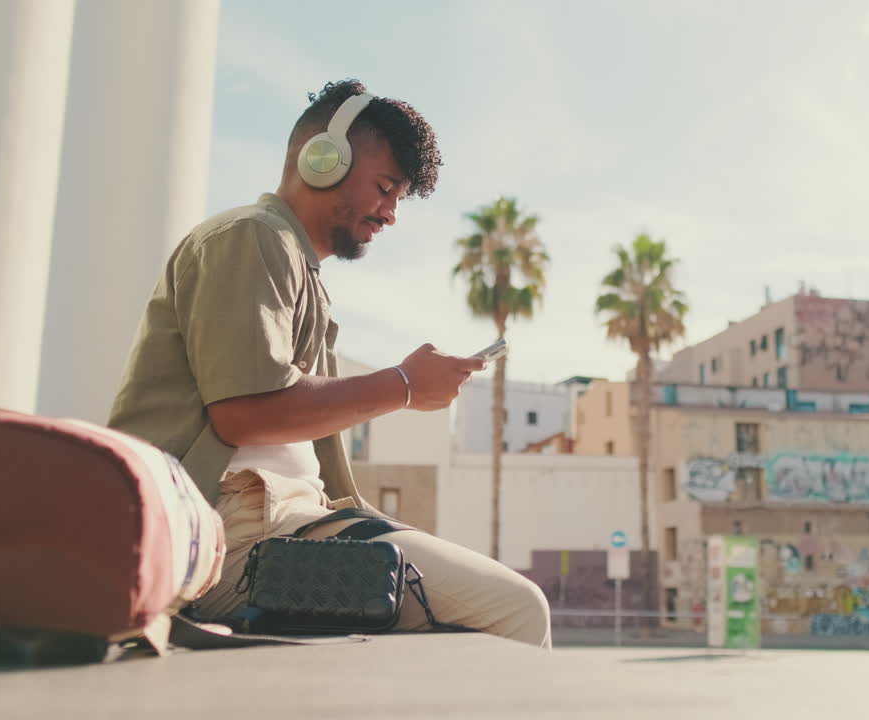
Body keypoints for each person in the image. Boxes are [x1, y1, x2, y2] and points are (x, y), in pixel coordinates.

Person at [108, 79, 551, 648]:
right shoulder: (251, 237)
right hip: (232, 535)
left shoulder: (297, 270)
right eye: (385, 187)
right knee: (515, 611)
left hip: (288, 525)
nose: (391, 213)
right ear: (323, 159)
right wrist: (404, 386)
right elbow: (242, 416)